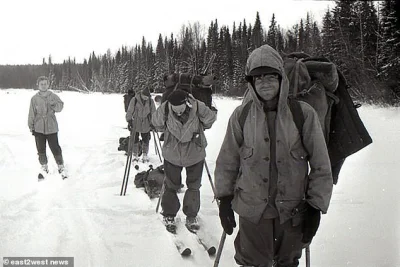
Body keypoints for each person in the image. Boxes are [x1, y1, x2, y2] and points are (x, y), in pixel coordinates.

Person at [214, 44, 333, 267]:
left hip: (292, 212)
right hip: (252, 212)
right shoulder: (241, 115)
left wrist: (316, 207)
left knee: (287, 263)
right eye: (258, 78)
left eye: (271, 76)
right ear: (251, 83)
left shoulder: (303, 114)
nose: (265, 82)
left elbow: (320, 165)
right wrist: (224, 199)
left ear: (281, 79)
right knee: (252, 263)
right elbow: (227, 161)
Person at [152, 89, 217, 232]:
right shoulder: (166, 108)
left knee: (194, 186)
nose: (178, 113)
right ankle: (169, 214)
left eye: (181, 110)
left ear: (186, 103)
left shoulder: (197, 106)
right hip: (172, 155)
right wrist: (162, 110)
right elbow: (156, 123)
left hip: (194, 154)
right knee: (170, 185)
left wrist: (201, 111)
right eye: (175, 111)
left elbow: (210, 119)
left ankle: (191, 215)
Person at [28, 76, 67, 179]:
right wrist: (31, 126)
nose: (44, 86)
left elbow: (60, 107)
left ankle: (61, 166)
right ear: (38, 85)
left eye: (45, 84)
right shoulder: (34, 99)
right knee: (41, 149)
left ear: (48, 85)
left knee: (55, 147)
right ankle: (44, 166)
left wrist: (53, 105)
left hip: (52, 127)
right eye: (42, 84)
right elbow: (31, 114)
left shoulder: (53, 96)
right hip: (38, 128)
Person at [126, 88, 156, 163]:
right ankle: (135, 154)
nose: (146, 98)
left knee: (146, 139)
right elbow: (130, 110)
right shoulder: (134, 100)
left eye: (147, 97)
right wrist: (129, 120)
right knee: (135, 139)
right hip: (136, 122)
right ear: (141, 94)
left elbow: (153, 112)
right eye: (145, 96)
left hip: (146, 122)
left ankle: (145, 154)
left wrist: (154, 122)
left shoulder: (150, 101)